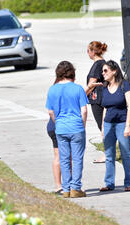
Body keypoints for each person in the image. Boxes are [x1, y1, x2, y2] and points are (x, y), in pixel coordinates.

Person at [46, 61, 89, 198]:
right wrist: (82, 125)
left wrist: (57, 123)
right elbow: (84, 111)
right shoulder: (78, 89)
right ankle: (76, 188)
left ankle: (66, 189)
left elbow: (51, 112)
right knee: (76, 158)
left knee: (64, 159)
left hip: (61, 127)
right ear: (72, 73)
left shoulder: (52, 90)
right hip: (76, 126)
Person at [99, 60, 130, 192]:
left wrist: (127, 126)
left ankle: (129, 183)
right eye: (102, 71)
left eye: (105, 71)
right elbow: (104, 108)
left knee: (126, 153)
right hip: (108, 124)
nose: (103, 73)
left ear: (114, 71)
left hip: (122, 123)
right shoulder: (104, 87)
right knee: (109, 154)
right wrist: (103, 127)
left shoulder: (124, 85)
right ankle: (109, 183)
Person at [85, 41, 107, 164]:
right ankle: (108, 152)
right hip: (103, 98)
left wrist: (80, 96)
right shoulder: (103, 62)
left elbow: (91, 85)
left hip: (97, 99)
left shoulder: (97, 65)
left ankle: (106, 154)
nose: (87, 53)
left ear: (93, 52)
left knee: (103, 126)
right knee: (105, 126)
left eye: (88, 50)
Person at [46, 117, 62, 194]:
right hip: (65, 126)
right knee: (71, 157)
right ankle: (73, 186)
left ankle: (58, 185)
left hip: (53, 126)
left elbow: (51, 112)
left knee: (57, 156)